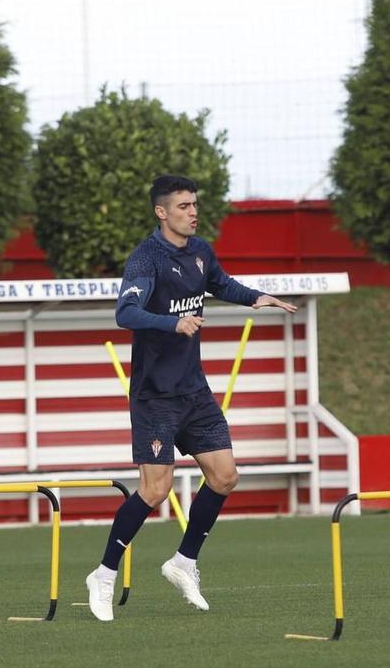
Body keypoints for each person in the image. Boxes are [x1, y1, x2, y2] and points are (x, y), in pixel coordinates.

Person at [86, 174, 298, 621]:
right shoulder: (146, 259)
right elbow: (125, 312)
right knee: (156, 489)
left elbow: (220, 283)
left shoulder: (200, 251)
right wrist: (172, 323)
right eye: (184, 206)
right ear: (162, 212)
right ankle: (103, 575)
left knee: (225, 477)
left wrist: (256, 298)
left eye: (195, 204)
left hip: (194, 391)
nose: (193, 212)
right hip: (155, 396)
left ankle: (183, 563)